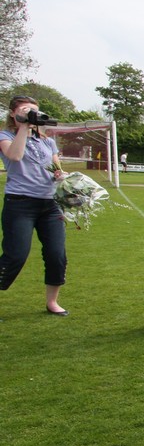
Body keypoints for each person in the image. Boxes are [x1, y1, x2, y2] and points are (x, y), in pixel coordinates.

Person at [0, 95, 69, 315]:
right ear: (13, 113)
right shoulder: (5, 136)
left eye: (34, 110)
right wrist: (24, 127)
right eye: (25, 109)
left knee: (57, 255)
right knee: (16, 255)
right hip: (20, 204)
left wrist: (61, 175)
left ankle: (52, 302)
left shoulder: (47, 141)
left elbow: (56, 169)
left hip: (50, 205)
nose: (31, 113)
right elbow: (15, 156)